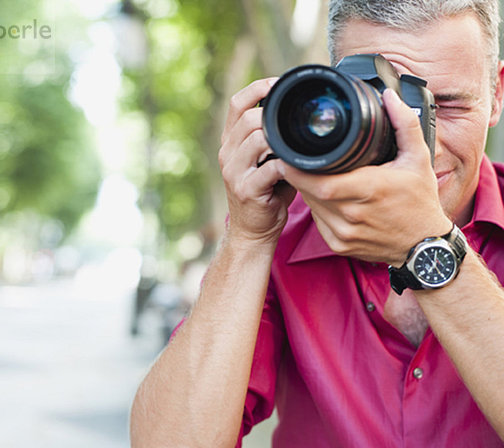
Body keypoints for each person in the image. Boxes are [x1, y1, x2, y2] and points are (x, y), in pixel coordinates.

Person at [130, 0, 504, 446]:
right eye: (386, 104)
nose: (420, 146)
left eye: (447, 105)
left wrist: (427, 246)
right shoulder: (279, 230)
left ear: (497, 94)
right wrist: (248, 239)